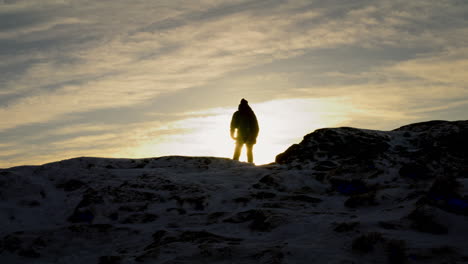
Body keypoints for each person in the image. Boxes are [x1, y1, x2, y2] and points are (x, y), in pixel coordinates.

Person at [230, 98, 259, 163]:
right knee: (240, 150)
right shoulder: (239, 114)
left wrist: (253, 136)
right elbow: (233, 126)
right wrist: (232, 134)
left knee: (246, 151)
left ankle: (248, 164)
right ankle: (236, 163)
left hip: (248, 135)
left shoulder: (250, 114)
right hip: (242, 134)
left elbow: (255, 127)